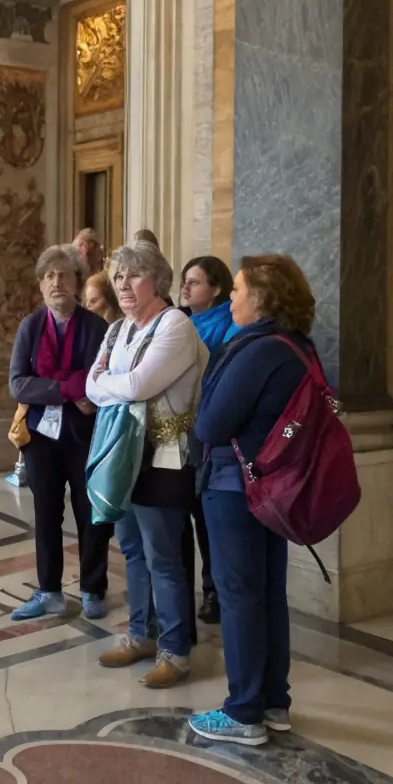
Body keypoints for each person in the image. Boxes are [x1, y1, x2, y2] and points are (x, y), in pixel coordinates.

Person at [189, 254, 315, 747]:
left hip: (235, 486)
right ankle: (273, 701)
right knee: (266, 594)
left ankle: (243, 711)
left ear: (261, 299)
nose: (233, 297)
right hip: (273, 486)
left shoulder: (259, 350)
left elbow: (210, 425)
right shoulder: (298, 346)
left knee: (240, 595)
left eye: (239, 289)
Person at [88, 241, 208, 687]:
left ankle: (175, 652)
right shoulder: (117, 330)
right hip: (123, 456)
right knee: (132, 550)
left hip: (165, 459)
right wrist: (111, 385)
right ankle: (139, 633)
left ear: (157, 281)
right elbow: (90, 383)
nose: (124, 285)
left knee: (163, 557)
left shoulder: (174, 325)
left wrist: (109, 384)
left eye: (134, 275)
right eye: (118, 277)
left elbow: (139, 384)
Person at [9, 244, 112, 621]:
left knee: (90, 513)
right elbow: (19, 385)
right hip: (40, 438)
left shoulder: (95, 327)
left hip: (85, 435)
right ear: (40, 286)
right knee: (46, 512)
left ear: (76, 283)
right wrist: (72, 389)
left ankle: (93, 588)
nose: (57, 282)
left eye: (64, 275)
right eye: (49, 276)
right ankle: (49, 591)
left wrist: (59, 385)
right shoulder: (30, 327)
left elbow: (98, 377)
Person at [179, 255, 238, 624]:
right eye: (185, 280)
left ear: (216, 289)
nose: (185, 288)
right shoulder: (180, 322)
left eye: (195, 282)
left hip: (209, 435)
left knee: (206, 517)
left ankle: (213, 591)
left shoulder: (229, 327)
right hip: (177, 432)